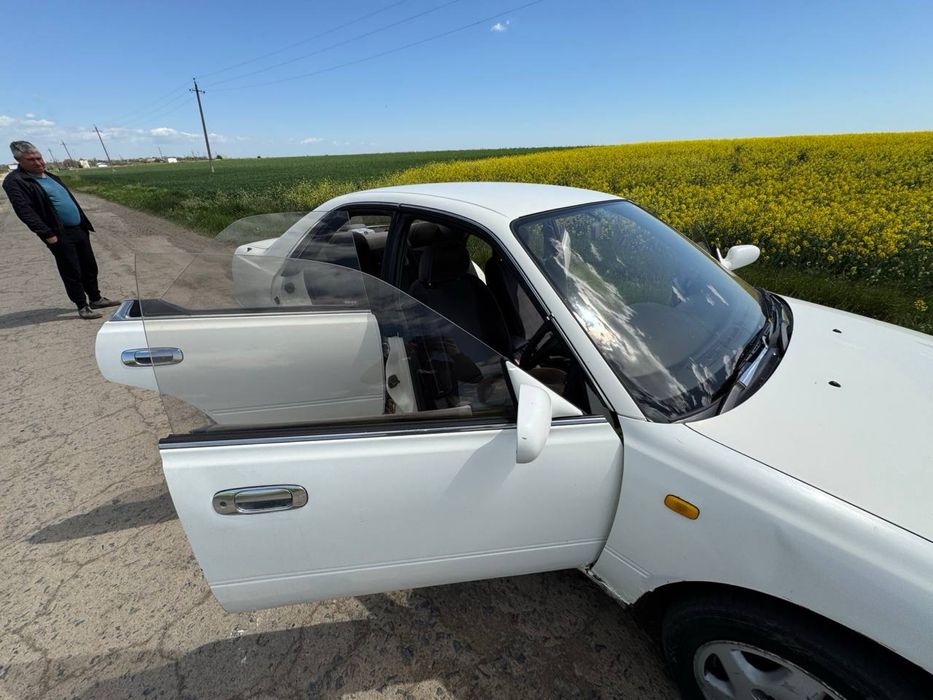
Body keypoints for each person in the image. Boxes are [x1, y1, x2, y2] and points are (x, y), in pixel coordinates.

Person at [3, 141, 120, 319]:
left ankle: (95, 298)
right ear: (19, 160)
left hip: (78, 228)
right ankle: (82, 305)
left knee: (89, 265)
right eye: (31, 160)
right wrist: (46, 233)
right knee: (71, 269)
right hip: (57, 232)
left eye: (39, 158)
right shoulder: (16, 181)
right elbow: (25, 211)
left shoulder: (49, 176)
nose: (38, 162)